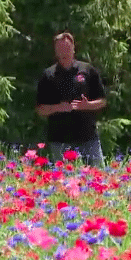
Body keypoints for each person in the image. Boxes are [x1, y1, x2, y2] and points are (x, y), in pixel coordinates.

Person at [35, 31, 107, 168]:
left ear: (73, 48)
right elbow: (40, 110)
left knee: (98, 177)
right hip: (59, 139)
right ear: (56, 51)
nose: (64, 52)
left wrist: (87, 105)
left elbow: (102, 101)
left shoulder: (87, 70)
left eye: (67, 48)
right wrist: (58, 108)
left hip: (88, 136)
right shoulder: (48, 75)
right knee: (65, 180)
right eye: (60, 48)